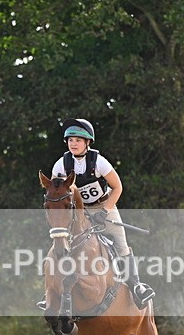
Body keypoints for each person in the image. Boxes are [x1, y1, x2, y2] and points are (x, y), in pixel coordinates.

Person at [44, 118, 155, 309]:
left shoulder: (99, 162)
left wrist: (104, 211)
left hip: (103, 205)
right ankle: (51, 292)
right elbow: (57, 193)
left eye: (78, 140)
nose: (73, 144)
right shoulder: (60, 165)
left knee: (120, 242)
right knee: (60, 241)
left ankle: (136, 286)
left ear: (87, 142)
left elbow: (117, 187)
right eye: (70, 140)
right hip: (77, 211)